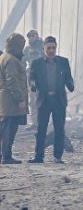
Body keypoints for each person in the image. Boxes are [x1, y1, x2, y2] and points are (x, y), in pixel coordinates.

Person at [28, 36, 75, 164]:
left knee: (59, 129)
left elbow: (68, 77)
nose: (51, 50)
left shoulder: (63, 62)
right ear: (44, 48)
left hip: (59, 100)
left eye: (53, 48)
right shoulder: (36, 63)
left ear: (56, 48)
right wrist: (33, 85)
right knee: (41, 129)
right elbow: (31, 77)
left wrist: (70, 84)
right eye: (48, 48)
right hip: (43, 100)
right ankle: (38, 156)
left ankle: (58, 157)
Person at [0, 33, 29, 164]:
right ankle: (6, 156)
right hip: (10, 102)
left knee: (4, 130)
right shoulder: (11, 60)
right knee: (9, 130)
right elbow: (12, 81)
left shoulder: (4, 57)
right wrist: (20, 98)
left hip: (5, 101)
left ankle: (3, 155)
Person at [22, 30, 44, 129]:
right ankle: (35, 123)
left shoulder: (43, 48)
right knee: (32, 100)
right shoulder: (27, 49)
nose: (31, 38)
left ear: (37, 36)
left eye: (33, 36)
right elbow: (22, 62)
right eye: (29, 36)